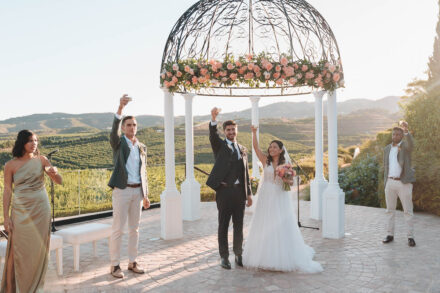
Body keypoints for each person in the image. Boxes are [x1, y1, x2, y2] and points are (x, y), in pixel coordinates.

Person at [242, 125, 323, 273]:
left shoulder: (286, 165)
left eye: (274, 147)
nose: (271, 149)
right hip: (265, 195)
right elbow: (255, 148)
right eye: (270, 147)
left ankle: (280, 256)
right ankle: (263, 255)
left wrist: (286, 179)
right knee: (264, 222)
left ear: (280, 150)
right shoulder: (265, 160)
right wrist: (254, 133)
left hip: (279, 197)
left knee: (279, 224)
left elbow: (291, 183)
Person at [1, 130, 62, 292]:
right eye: (30, 141)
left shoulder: (42, 160)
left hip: (41, 210)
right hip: (20, 212)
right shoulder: (10, 165)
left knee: (39, 250)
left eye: (35, 140)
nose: (34, 143)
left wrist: (55, 173)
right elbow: (7, 191)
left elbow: (59, 181)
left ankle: (36, 287)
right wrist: (5, 217)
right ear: (21, 143)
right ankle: (17, 287)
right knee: (19, 249)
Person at [108, 94, 151, 278]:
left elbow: (144, 172)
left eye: (134, 125)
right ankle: (114, 265)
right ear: (123, 128)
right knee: (118, 229)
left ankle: (132, 262)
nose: (132, 127)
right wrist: (120, 109)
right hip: (122, 190)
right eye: (128, 125)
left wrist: (146, 194)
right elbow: (113, 132)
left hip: (137, 192)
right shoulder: (119, 143)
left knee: (135, 229)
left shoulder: (141, 146)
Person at [206, 107, 253, 270]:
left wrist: (249, 194)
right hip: (224, 192)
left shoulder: (242, 149)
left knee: (239, 225)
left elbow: (245, 173)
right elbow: (213, 135)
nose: (231, 132)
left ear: (236, 131)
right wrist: (213, 119)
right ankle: (224, 257)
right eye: (228, 130)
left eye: (233, 129)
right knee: (223, 224)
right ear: (224, 131)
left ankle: (239, 253)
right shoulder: (220, 146)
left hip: (240, 193)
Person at [382, 121, 416, 247]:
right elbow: (385, 166)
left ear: (401, 136)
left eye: (398, 134)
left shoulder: (405, 148)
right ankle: (389, 234)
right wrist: (385, 182)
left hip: (404, 183)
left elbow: (411, 145)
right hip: (390, 183)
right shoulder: (387, 149)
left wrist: (406, 131)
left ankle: (410, 237)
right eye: (393, 134)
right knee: (390, 210)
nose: (395, 136)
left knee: (407, 211)